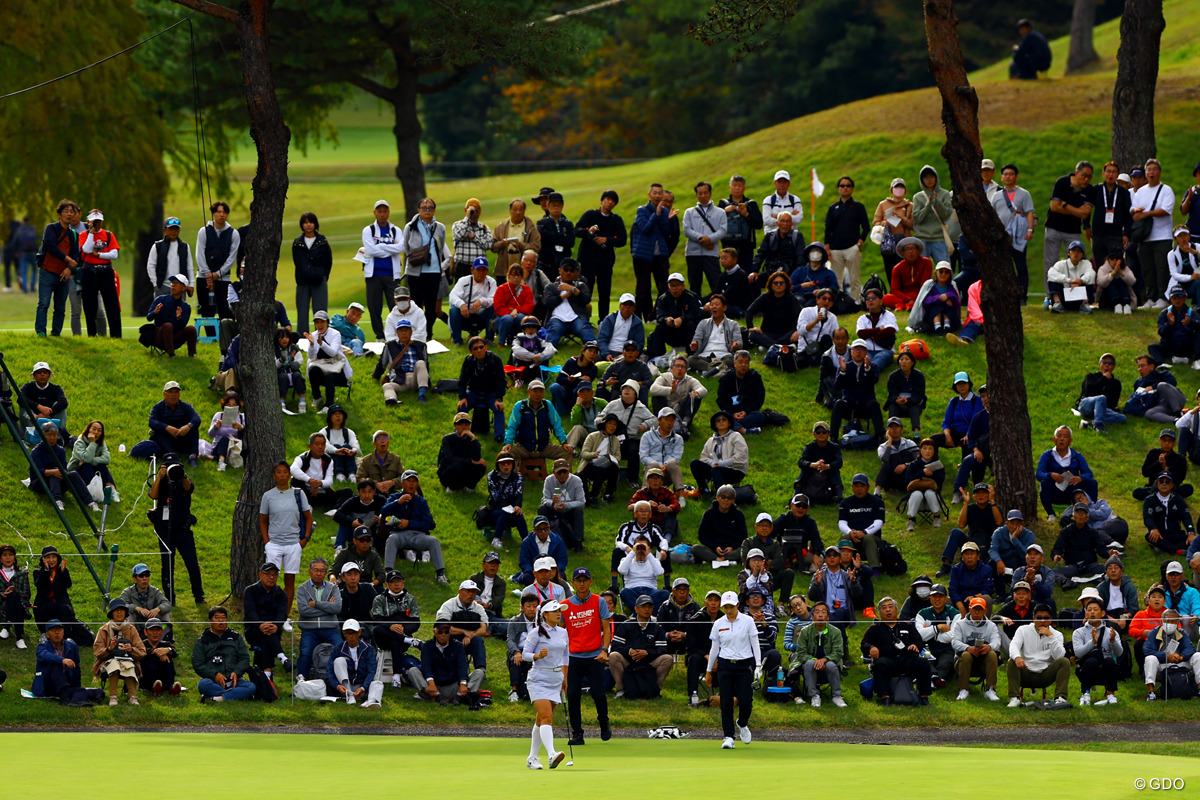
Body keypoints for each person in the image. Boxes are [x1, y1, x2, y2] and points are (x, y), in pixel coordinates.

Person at [562, 567, 613, 745]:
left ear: (590, 581)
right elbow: (561, 631)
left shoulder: (599, 601)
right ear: (574, 583)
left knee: (598, 693)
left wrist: (604, 650)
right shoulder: (566, 604)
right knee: (573, 694)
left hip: (594, 656)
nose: (582, 583)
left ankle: (604, 722)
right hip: (574, 656)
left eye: (585, 580)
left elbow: (606, 628)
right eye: (578, 580)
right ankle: (577, 733)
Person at [705, 590, 761, 749]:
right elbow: (714, 648)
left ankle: (742, 723)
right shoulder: (719, 623)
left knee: (746, 701)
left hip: (744, 665)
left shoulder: (747, 621)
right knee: (726, 702)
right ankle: (728, 736)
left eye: (731, 606)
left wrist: (758, 665)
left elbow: (755, 643)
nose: (728, 610)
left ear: (737, 605)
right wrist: (709, 670)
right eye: (725, 607)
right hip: (725, 665)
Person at [260, 460, 313, 627]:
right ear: (274, 476)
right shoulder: (268, 496)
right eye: (279, 472)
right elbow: (263, 520)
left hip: (293, 544)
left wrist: (304, 539)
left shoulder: (298, 494)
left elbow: (308, 517)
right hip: (274, 544)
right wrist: (267, 542)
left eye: (285, 472)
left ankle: (284, 617)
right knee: (270, 579)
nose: (282, 475)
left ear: (289, 475)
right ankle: (270, 613)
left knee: (289, 579)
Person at [521, 599, 570, 769]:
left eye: (560, 611)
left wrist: (565, 677)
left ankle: (532, 758)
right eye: (555, 611)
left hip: (556, 680)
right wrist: (537, 656)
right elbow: (524, 654)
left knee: (541, 720)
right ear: (545, 614)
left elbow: (565, 656)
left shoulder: (563, 632)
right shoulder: (536, 633)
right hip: (538, 679)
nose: (559, 614)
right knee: (547, 717)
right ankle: (551, 754)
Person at [860, 597, 932, 706]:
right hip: (887, 661)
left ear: (896, 610)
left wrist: (915, 645)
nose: (888, 610)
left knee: (923, 664)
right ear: (879, 612)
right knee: (880, 665)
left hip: (907, 660)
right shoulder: (874, 628)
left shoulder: (907, 626)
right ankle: (885, 698)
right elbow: (864, 644)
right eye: (884, 608)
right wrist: (871, 648)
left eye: (890, 607)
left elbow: (919, 641)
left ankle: (924, 697)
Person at [379, 470, 448, 583]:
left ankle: (440, 574)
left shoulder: (422, 502)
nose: (411, 484)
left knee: (433, 541)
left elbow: (428, 523)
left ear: (417, 484)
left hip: (418, 536)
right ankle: (388, 573)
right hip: (398, 534)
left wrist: (409, 523)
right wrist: (398, 502)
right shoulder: (394, 497)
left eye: (414, 481)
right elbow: (383, 512)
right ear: (402, 484)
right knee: (391, 539)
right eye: (408, 481)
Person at [1044, 161, 1095, 304]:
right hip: (1054, 227)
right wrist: (1076, 211)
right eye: (1084, 176)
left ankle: (1073, 295)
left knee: (1076, 263)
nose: (1086, 180)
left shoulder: (1089, 190)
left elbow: (1084, 214)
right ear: (1076, 173)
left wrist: (1065, 205)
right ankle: (1050, 295)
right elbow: (1054, 206)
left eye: (1089, 177)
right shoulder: (1062, 182)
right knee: (1050, 263)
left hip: (1073, 231)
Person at [987, 164, 1036, 303]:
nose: (1008, 176)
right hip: (1001, 236)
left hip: (1019, 235)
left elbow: (1029, 212)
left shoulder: (1024, 194)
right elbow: (991, 215)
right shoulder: (996, 195)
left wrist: (1030, 229)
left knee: (1020, 266)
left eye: (1011, 174)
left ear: (1016, 176)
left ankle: (1022, 296)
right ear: (1001, 177)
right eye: (1005, 174)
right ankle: (1004, 295)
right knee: (1001, 266)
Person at [575, 190, 628, 317]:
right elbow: (576, 230)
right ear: (601, 200)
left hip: (605, 262)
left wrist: (607, 240)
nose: (609, 202)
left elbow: (622, 240)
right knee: (585, 292)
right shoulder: (590, 214)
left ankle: (603, 320)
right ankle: (583, 319)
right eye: (607, 199)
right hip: (588, 261)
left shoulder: (616, 220)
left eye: (613, 201)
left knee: (604, 294)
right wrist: (589, 231)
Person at [1005, 604, 1070, 706]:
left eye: (1046, 618)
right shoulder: (1023, 630)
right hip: (1025, 671)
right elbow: (1014, 645)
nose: (1042, 621)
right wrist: (1017, 657)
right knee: (1012, 660)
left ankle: (1060, 698)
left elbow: (1059, 656)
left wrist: (1050, 636)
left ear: (1051, 620)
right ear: (1034, 619)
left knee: (1064, 661)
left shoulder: (1057, 635)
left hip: (1045, 674)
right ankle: (1015, 698)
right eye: (1039, 618)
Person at [608, 595, 672, 698]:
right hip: (629, 661)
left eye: (649, 607)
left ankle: (655, 690)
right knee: (614, 656)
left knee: (667, 659)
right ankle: (621, 690)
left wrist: (647, 653)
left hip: (649, 662)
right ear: (636, 609)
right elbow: (615, 646)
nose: (647, 609)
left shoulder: (657, 627)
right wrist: (629, 651)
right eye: (643, 606)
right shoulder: (626, 625)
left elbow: (663, 649)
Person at [1133, 159, 1176, 308]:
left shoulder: (1166, 190)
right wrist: (1136, 211)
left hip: (1162, 236)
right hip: (1145, 237)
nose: (1151, 172)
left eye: (1154, 169)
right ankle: (1151, 298)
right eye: (1149, 169)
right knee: (1147, 269)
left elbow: (1165, 210)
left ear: (1160, 172)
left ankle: (1163, 297)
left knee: (1162, 268)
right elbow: (1133, 208)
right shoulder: (1141, 192)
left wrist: (1146, 214)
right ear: (1146, 173)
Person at [410, 620, 486, 705]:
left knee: (479, 673)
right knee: (412, 671)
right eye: (440, 632)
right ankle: (437, 695)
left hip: (454, 685)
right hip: (434, 685)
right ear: (434, 632)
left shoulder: (458, 646)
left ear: (450, 632)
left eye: (446, 632)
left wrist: (463, 684)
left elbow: (462, 666)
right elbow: (426, 666)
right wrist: (431, 684)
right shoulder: (427, 646)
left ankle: (458, 696)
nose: (443, 635)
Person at [35, 199, 82, 338]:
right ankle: (41, 332)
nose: (69, 214)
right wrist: (68, 260)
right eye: (66, 211)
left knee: (60, 307)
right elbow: (51, 246)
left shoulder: (74, 234)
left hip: (64, 274)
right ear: (59, 214)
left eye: (72, 212)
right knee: (43, 303)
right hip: (47, 272)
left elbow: (75, 254)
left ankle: (56, 333)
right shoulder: (51, 228)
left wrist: (69, 269)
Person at [359, 200, 405, 340]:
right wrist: (390, 248)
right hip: (374, 274)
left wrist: (380, 248)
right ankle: (380, 335)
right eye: (379, 211)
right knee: (374, 308)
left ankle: (396, 335)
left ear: (388, 213)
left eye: (385, 211)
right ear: (375, 213)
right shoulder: (369, 230)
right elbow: (371, 250)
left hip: (392, 274)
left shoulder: (395, 230)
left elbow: (400, 248)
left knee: (395, 307)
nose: (382, 214)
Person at [293, 557, 342, 681]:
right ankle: (302, 679)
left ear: (326, 573)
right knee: (306, 652)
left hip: (330, 628)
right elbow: (304, 610)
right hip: (310, 630)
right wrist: (327, 607)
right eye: (316, 570)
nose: (319, 573)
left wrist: (316, 604)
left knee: (340, 650)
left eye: (322, 571)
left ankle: (342, 679)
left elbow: (336, 608)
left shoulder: (333, 588)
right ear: (310, 572)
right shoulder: (302, 589)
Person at [372, 569, 422, 690]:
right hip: (384, 637)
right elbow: (377, 619)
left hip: (402, 635)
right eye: (393, 582)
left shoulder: (410, 599)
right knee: (377, 630)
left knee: (396, 642)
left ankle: (396, 677)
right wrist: (390, 626)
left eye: (398, 581)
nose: (396, 584)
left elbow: (416, 622)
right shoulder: (379, 599)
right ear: (386, 585)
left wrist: (402, 630)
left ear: (403, 583)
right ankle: (409, 641)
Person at [192, 606, 255, 702]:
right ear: (210, 621)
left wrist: (236, 672)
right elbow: (198, 664)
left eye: (223, 617)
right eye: (217, 618)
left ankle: (219, 698)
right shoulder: (202, 640)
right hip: (213, 680)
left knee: (251, 687)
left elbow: (245, 658)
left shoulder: (236, 637)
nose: (221, 620)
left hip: (235, 680)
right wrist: (215, 675)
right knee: (203, 684)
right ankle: (237, 695)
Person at [1035, 426, 1099, 520]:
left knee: (1092, 482)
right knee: (1044, 483)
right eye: (1059, 436)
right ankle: (1051, 514)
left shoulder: (1077, 456)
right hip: (1055, 491)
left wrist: (1080, 478)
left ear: (1070, 441)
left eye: (1065, 436)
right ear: (1054, 439)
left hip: (1072, 491)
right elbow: (1039, 474)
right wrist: (1050, 475)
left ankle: (1089, 511)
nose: (1062, 439)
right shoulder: (1047, 455)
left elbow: (1089, 473)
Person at [503, 379, 572, 462]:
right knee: (506, 454)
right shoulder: (520, 406)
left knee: (567, 452)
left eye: (541, 391)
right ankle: (514, 475)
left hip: (544, 447)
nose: (538, 394)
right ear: (528, 392)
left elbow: (556, 425)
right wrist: (508, 443)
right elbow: (512, 427)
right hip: (524, 447)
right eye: (535, 391)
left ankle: (565, 474)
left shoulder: (548, 405)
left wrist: (564, 442)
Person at [92, 599, 146, 706]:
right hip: (108, 660)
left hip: (128, 659)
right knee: (114, 666)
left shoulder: (131, 629)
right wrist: (109, 648)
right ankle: (113, 697)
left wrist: (131, 649)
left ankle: (132, 697)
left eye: (122, 610)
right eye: (116, 610)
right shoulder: (103, 630)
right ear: (112, 613)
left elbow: (142, 651)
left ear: (126, 613)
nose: (119, 612)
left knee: (129, 666)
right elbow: (98, 651)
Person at [829, 339, 884, 443]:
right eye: (856, 349)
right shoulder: (845, 366)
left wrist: (867, 369)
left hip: (865, 405)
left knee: (874, 404)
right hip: (849, 405)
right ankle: (833, 437)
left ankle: (880, 436)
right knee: (838, 403)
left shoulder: (873, 366)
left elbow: (874, 380)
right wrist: (843, 372)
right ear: (851, 352)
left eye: (862, 349)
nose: (859, 352)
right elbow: (837, 386)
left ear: (866, 352)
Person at [78, 209, 121, 337]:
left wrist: (99, 254)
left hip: (106, 271)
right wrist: (91, 233)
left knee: (112, 303)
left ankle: (116, 335)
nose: (96, 223)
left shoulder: (108, 234)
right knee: (90, 304)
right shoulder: (84, 235)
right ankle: (92, 334)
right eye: (93, 221)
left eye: (99, 221)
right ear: (88, 221)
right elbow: (85, 249)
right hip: (89, 271)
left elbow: (114, 254)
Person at [242, 562, 291, 676]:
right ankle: (282, 657)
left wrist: (275, 625)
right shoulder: (250, 591)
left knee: (267, 640)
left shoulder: (281, 594)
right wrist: (260, 625)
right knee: (267, 635)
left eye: (274, 575)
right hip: (254, 629)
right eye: (268, 574)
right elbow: (250, 612)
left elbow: (282, 613)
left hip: (273, 630)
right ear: (260, 575)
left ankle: (266, 679)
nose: (271, 577)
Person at [950, 597, 1002, 701]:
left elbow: (997, 642)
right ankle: (963, 689)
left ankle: (990, 689)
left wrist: (989, 647)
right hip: (962, 662)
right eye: (975, 609)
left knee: (992, 654)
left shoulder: (991, 626)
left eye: (980, 609)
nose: (977, 612)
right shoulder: (959, 624)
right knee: (966, 655)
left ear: (985, 611)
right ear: (969, 609)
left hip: (983, 661)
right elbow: (954, 642)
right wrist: (968, 648)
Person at [457, 336, 508, 443]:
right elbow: (462, 381)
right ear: (471, 351)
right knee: (461, 408)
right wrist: (462, 398)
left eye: (481, 347)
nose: (479, 350)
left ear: (486, 347)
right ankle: (459, 434)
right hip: (474, 393)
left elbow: (501, 381)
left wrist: (498, 398)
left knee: (499, 409)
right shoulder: (468, 361)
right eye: (475, 348)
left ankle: (499, 437)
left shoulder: (495, 360)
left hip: (491, 393)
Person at [1074, 597, 1124, 706]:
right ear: (1086, 614)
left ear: (1102, 613)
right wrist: (1092, 643)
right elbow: (1078, 653)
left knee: (1110, 661)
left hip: (1106, 667)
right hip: (1087, 667)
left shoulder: (1111, 631)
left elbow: (1119, 653)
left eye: (1095, 609)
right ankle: (1085, 694)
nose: (1092, 612)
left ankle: (1110, 694)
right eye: (1089, 609)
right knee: (1091, 661)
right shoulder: (1078, 632)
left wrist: (1113, 641)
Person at [27, 422, 87, 511]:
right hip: (39, 483)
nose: (52, 438)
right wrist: (54, 472)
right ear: (42, 436)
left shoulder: (60, 450)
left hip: (57, 481)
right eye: (49, 435)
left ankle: (89, 501)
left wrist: (62, 473)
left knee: (73, 474)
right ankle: (57, 500)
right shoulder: (36, 452)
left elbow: (64, 467)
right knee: (54, 472)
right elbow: (38, 472)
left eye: (54, 435)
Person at [1143, 608, 1200, 700]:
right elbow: (1148, 650)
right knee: (1150, 658)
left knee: (1198, 656)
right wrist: (1166, 657)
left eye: (1173, 621)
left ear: (1177, 623)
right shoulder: (1154, 633)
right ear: (1162, 621)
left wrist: (1181, 657)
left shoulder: (1182, 633)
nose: (1169, 623)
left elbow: (1190, 649)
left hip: (1179, 664)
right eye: (1167, 621)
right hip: (1161, 666)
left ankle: (1199, 689)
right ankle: (1151, 693)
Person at [291, 212, 335, 333]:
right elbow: (297, 262)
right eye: (305, 222)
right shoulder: (297, 243)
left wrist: (323, 276)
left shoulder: (322, 241)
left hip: (319, 281)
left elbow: (328, 261)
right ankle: (302, 337)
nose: (308, 225)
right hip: (302, 282)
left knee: (320, 312)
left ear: (315, 224)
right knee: (302, 311)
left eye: (310, 222)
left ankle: (321, 337)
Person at [682, 181, 728, 295]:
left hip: (711, 253)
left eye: (705, 193)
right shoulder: (689, 212)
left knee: (716, 283)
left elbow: (723, 230)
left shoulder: (720, 212)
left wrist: (710, 239)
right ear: (696, 195)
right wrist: (702, 239)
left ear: (710, 193)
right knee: (694, 285)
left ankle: (716, 308)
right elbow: (687, 230)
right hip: (693, 254)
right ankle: (695, 310)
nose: (703, 196)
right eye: (700, 193)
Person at [325, 619, 382, 708]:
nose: (351, 636)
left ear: (359, 633)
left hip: (361, 687)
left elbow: (371, 671)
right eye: (348, 633)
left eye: (353, 633)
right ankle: (349, 695)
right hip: (344, 689)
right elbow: (329, 670)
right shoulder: (338, 649)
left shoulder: (368, 649)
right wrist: (337, 686)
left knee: (378, 683)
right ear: (344, 634)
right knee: (339, 660)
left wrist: (363, 687)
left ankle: (371, 702)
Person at [646, 272, 702, 359]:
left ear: (683, 286)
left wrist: (682, 319)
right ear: (668, 286)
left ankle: (692, 356)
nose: (674, 288)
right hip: (671, 331)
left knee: (691, 325)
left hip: (686, 331)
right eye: (672, 285)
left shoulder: (691, 296)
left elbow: (696, 314)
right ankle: (657, 357)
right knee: (659, 328)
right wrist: (666, 319)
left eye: (677, 285)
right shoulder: (663, 298)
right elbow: (659, 316)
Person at [141, 274, 198, 357]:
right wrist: (155, 312)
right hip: (159, 338)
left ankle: (191, 355)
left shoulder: (186, 307)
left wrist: (179, 318)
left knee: (191, 329)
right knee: (168, 326)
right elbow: (149, 318)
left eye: (177, 283)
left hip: (175, 339)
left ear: (183, 288)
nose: (173, 285)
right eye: (172, 283)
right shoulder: (160, 299)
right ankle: (171, 355)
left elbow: (183, 325)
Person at [838, 473, 886, 570]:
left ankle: (875, 569)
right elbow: (842, 522)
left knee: (868, 538)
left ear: (868, 487)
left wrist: (864, 532)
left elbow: (879, 522)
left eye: (862, 486)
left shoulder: (877, 502)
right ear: (852, 487)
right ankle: (841, 567)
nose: (859, 489)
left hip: (872, 537)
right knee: (845, 537)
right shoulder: (846, 503)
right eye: (856, 486)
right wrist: (850, 532)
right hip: (853, 536)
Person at [915, 583, 959, 683]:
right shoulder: (922, 613)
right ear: (930, 598)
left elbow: (952, 636)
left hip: (947, 648)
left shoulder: (955, 613)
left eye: (940, 596)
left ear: (945, 598)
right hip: (927, 647)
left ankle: (934, 679)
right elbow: (920, 636)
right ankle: (935, 679)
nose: (937, 599)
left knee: (945, 664)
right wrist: (938, 628)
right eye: (934, 596)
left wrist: (930, 631)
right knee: (923, 661)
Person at [538, 459, 587, 551]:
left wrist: (566, 505)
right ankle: (542, 537)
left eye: (564, 471)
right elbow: (544, 499)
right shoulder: (549, 480)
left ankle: (578, 542)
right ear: (554, 472)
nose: (562, 475)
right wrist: (552, 503)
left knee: (578, 511)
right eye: (559, 472)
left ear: (569, 470)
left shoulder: (576, 481)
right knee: (542, 509)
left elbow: (581, 501)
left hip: (569, 511)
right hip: (554, 510)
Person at [448, 256, 497, 345]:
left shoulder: (491, 282)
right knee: (454, 310)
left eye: (484, 270)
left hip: (482, 315)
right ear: (472, 270)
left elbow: (493, 299)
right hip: (465, 315)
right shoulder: (463, 280)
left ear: (487, 271)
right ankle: (457, 340)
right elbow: (453, 296)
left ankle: (489, 338)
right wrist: (462, 304)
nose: (481, 273)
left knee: (493, 308)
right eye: (478, 270)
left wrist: (481, 301)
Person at [1142, 473, 1195, 554]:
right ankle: (1177, 550)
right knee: (1149, 536)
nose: (1164, 484)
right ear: (1157, 483)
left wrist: (1191, 532)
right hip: (1159, 534)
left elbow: (1186, 516)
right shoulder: (1149, 500)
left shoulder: (1178, 499)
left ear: (1172, 485)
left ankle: (1164, 548)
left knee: (1194, 540)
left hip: (1176, 534)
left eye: (1167, 482)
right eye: (1161, 481)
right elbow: (1147, 517)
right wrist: (1153, 528)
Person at [910, 165, 954, 264]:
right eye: (925, 177)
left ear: (936, 177)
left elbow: (947, 216)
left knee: (945, 268)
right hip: (922, 238)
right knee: (921, 271)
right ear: (922, 180)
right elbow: (917, 219)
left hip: (939, 238)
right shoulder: (918, 197)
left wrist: (937, 202)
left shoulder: (944, 194)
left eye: (931, 177)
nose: (929, 180)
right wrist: (928, 206)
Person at [31, 620, 84, 700]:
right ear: (47, 635)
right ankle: (66, 693)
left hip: (66, 682)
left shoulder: (72, 647)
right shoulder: (42, 647)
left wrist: (77, 688)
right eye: (53, 630)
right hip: (47, 685)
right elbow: (45, 656)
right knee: (55, 665)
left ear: (63, 632)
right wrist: (62, 660)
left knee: (90, 692)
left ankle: (69, 692)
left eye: (59, 630)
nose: (57, 633)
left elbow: (76, 668)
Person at [794, 420, 844, 503]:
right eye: (818, 432)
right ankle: (795, 498)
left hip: (828, 475)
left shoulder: (834, 447)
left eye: (824, 432)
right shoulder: (809, 447)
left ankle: (840, 499)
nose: (821, 434)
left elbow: (839, 462)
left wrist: (827, 466)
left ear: (828, 434)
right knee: (803, 472)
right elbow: (801, 462)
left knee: (835, 472)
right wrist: (813, 465)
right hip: (812, 473)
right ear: (814, 434)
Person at [484, 453, 527, 548]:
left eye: (508, 463)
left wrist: (517, 506)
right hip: (496, 510)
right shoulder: (491, 476)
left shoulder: (518, 476)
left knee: (519, 514)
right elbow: (495, 496)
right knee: (505, 513)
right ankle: (496, 539)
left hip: (512, 510)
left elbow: (519, 493)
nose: (506, 466)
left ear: (512, 464)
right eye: (503, 463)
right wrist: (509, 508)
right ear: (498, 465)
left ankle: (526, 541)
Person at [438, 412, 488, 492]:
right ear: (455, 426)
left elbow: (477, 458)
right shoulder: (447, 439)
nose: (464, 427)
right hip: (449, 470)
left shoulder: (471, 439)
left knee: (481, 465)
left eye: (466, 425)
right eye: (460, 424)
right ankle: (451, 487)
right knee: (456, 466)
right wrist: (469, 461)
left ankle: (469, 486)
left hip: (464, 470)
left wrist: (473, 438)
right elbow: (449, 458)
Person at [1136, 430, 1193, 500]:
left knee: (1188, 488)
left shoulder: (1180, 459)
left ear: (1174, 443)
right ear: (1160, 441)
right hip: (1154, 487)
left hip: (1172, 488)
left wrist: (1166, 469)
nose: (1167, 443)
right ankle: (1161, 495)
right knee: (1137, 492)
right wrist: (1158, 463)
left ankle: (1162, 495)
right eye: (1164, 440)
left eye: (1170, 441)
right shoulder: (1153, 453)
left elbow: (1179, 479)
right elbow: (1145, 472)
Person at [145, 215, 193, 298]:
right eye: (171, 229)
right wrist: (155, 283)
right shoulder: (157, 246)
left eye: (176, 229)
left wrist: (191, 284)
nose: (174, 231)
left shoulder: (184, 247)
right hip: (162, 285)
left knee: (179, 310)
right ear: (164, 230)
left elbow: (189, 266)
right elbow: (151, 265)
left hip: (180, 286)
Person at [903, 439, 945, 530]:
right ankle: (911, 520)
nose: (927, 451)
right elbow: (908, 481)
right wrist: (922, 473)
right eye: (924, 448)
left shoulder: (938, 465)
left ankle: (937, 517)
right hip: (917, 500)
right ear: (920, 450)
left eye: (930, 449)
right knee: (916, 494)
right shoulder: (913, 465)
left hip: (933, 498)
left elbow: (940, 482)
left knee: (929, 492)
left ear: (934, 451)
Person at [551, 341, 601, 417]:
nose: (592, 354)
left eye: (595, 352)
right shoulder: (571, 361)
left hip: (577, 395)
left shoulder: (593, 369)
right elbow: (559, 379)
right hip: (565, 390)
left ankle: (574, 410)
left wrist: (579, 380)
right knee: (554, 387)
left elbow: (586, 386)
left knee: (579, 390)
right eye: (590, 351)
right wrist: (569, 380)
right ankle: (561, 411)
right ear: (583, 351)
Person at [639, 408, 685, 491]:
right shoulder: (647, 436)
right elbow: (643, 456)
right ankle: (644, 493)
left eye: (672, 420)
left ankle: (681, 495)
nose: (669, 423)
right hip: (652, 471)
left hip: (668, 472)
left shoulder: (678, 438)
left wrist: (665, 466)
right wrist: (658, 465)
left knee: (673, 464)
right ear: (659, 420)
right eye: (666, 419)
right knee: (653, 465)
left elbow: (677, 456)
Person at [514, 518, 569, 587]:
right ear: (534, 531)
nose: (543, 532)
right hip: (535, 572)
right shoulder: (526, 542)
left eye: (545, 529)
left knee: (562, 576)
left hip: (552, 572)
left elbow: (562, 560)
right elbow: (524, 562)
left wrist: (553, 572)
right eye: (539, 530)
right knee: (526, 577)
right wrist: (536, 573)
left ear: (549, 528)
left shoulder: (558, 541)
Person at [883, 238, 932, 311]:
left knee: (930, 297)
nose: (910, 252)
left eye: (913, 248)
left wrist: (915, 298)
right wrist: (908, 299)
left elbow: (924, 285)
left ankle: (902, 306)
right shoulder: (897, 268)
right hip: (904, 297)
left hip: (921, 294)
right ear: (902, 253)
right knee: (886, 298)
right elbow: (895, 290)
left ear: (918, 251)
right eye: (907, 249)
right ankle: (908, 305)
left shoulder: (926, 262)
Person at [494, 263, 538, 346]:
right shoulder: (501, 289)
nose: (516, 277)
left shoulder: (527, 289)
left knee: (521, 317)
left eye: (519, 275)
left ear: (522, 276)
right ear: (509, 276)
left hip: (519, 315)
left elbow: (529, 307)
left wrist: (515, 310)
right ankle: (501, 342)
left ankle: (522, 342)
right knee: (507, 319)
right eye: (513, 275)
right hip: (503, 316)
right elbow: (498, 307)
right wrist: (510, 313)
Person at [1047, 240, 1096, 313]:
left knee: (1089, 279)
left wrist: (1080, 281)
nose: (1076, 253)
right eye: (1074, 250)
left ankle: (1085, 304)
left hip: (1080, 299)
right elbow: (1051, 273)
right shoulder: (1061, 264)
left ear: (1082, 254)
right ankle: (1057, 304)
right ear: (1068, 252)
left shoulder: (1086, 263)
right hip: (1064, 298)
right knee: (1053, 280)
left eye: (1079, 251)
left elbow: (1092, 274)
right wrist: (1069, 280)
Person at [885, 352, 927, 437]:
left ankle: (916, 434)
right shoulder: (893, 376)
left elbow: (919, 394)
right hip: (898, 402)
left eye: (907, 359)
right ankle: (891, 434)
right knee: (893, 407)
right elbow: (891, 393)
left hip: (913, 402)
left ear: (912, 362)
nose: (904, 362)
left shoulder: (919, 376)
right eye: (901, 359)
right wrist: (897, 399)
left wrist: (908, 400)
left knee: (914, 408)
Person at [118, 563, 171, 629]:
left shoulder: (155, 591)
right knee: (128, 615)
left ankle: (167, 637)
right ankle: (128, 638)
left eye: (147, 575)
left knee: (164, 614)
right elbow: (122, 606)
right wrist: (137, 608)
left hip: (152, 625)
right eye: (141, 576)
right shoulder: (127, 592)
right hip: (135, 625)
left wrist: (158, 609)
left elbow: (167, 604)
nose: (145, 578)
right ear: (134, 579)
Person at [452, 198, 493, 280]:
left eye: (477, 210)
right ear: (465, 210)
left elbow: (488, 245)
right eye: (471, 210)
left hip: (480, 268)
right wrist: (467, 218)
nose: (474, 213)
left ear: (480, 212)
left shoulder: (484, 228)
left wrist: (474, 237)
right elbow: (460, 235)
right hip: (462, 267)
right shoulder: (457, 225)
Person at [657, 577, 699, 657]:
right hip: (668, 639)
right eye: (679, 590)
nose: (682, 592)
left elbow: (698, 628)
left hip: (687, 640)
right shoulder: (665, 606)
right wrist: (668, 634)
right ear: (673, 591)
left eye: (685, 589)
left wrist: (685, 635)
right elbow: (659, 626)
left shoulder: (695, 607)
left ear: (689, 591)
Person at [596, 293, 645, 361]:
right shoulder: (609, 319)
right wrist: (606, 354)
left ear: (634, 308)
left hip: (627, 354)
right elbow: (602, 339)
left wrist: (628, 354)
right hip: (608, 352)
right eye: (625, 304)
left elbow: (640, 343)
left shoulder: (637, 323)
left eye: (631, 305)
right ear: (620, 306)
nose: (628, 307)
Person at [876, 418, 920, 494]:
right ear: (887, 431)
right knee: (885, 464)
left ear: (902, 430)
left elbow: (919, 460)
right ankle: (877, 492)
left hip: (906, 477)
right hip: (891, 479)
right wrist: (889, 442)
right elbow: (885, 459)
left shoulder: (909, 443)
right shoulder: (882, 447)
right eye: (891, 427)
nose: (894, 429)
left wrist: (905, 465)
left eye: (897, 426)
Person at [356, 430, 405, 496]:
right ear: (374, 444)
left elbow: (404, 478)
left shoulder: (396, 459)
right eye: (379, 439)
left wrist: (392, 483)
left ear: (388, 442)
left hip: (392, 496)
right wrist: (375, 484)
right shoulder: (366, 460)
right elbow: (359, 479)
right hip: (372, 497)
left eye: (385, 438)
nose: (382, 441)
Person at [0, 544, 30, 650]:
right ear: (0, 558)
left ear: (14, 557)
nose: (8, 557)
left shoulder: (22, 574)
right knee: (13, 598)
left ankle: (7, 627)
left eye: (10, 555)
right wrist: (3, 594)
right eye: (5, 555)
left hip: (19, 604)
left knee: (14, 597)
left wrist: (14, 593)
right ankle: (19, 637)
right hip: (1, 605)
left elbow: (27, 594)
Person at [138, 618, 179, 697]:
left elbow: (175, 653)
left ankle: (170, 686)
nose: (155, 633)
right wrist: (156, 652)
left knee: (168, 658)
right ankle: (155, 687)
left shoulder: (165, 644)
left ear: (161, 632)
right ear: (145, 632)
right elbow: (142, 651)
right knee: (150, 658)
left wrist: (168, 650)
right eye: (152, 630)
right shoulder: (142, 644)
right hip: (146, 678)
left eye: (158, 630)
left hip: (163, 676)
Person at [204, 393, 244, 473]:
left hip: (234, 447)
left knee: (229, 439)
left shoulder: (242, 417)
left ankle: (222, 459)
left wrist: (240, 427)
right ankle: (221, 463)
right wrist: (216, 427)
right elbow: (210, 435)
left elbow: (247, 434)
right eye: (228, 404)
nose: (231, 407)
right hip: (218, 447)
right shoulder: (219, 415)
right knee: (225, 438)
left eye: (234, 405)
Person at [944, 277, 984, 346]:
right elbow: (973, 309)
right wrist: (982, 321)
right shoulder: (974, 287)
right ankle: (963, 339)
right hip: (978, 320)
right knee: (972, 326)